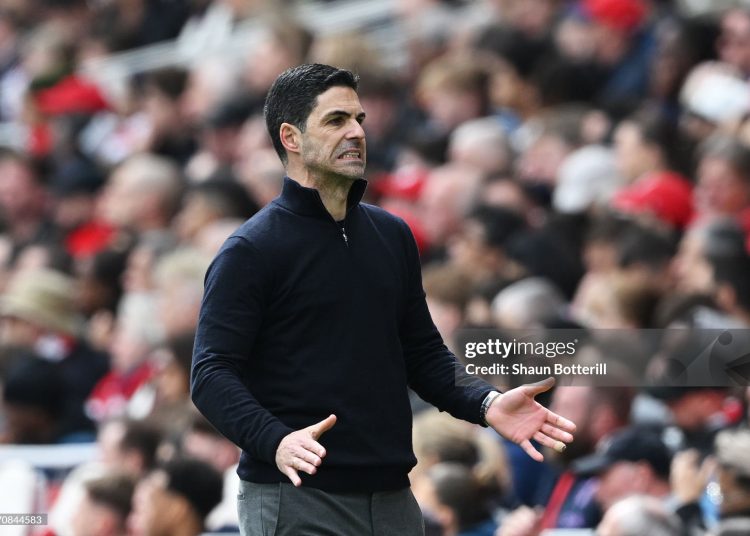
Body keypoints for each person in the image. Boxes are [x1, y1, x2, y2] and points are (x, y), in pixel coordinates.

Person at [191, 63, 576, 536]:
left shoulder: (391, 234)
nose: (355, 132)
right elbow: (210, 373)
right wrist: (275, 442)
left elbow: (422, 353)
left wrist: (484, 403)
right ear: (291, 138)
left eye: (359, 120)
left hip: (393, 496)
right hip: (297, 496)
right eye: (336, 121)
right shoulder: (251, 250)